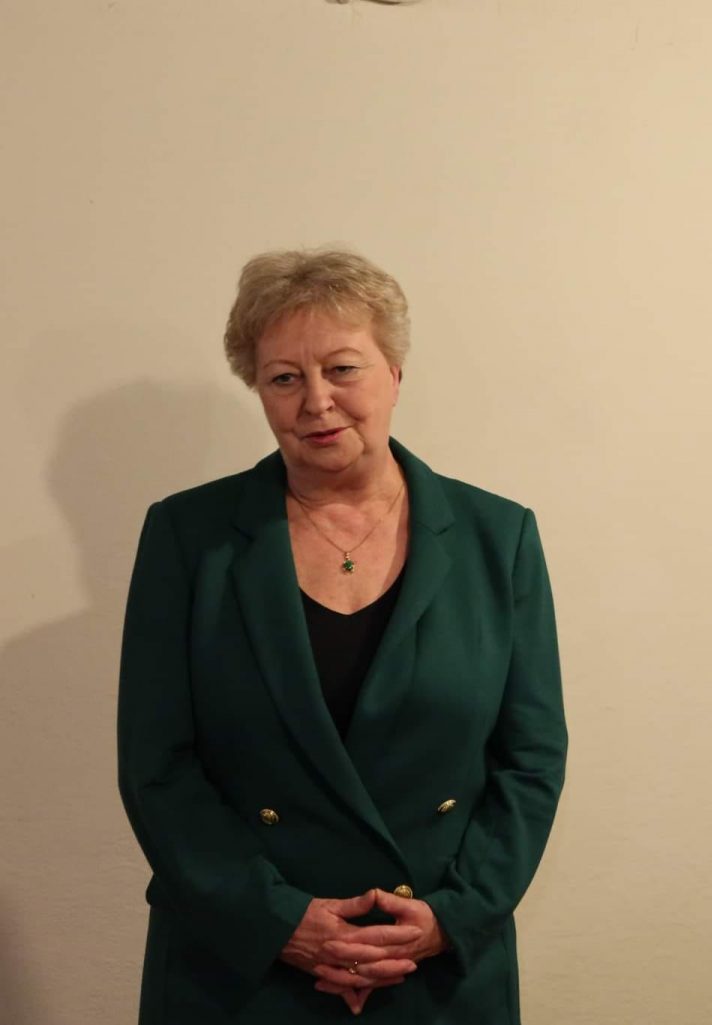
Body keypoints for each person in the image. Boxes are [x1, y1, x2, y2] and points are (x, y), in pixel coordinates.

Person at [117, 248, 567, 1023]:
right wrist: (278, 919)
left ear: (394, 372)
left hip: (432, 965)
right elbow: (157, 765)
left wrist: (452, 915)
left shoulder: (500, 538)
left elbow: (531, 758)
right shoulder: (187, 536)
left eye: (342, 368)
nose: (316, 401)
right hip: (240, 967)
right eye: (283, 377)